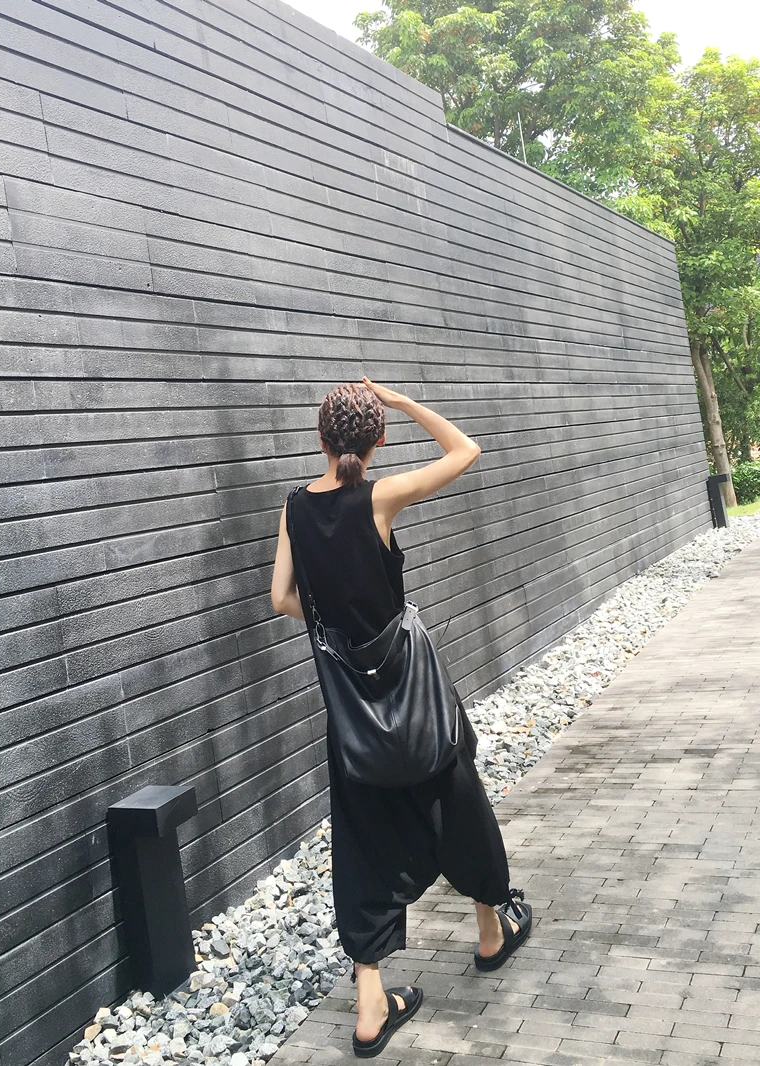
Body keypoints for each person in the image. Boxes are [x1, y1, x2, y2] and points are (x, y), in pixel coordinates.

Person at [270, 377, 531, 1058]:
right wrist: (404, 402)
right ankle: (491, 933)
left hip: (353, 719)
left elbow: (281, 598)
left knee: (362, 843)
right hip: (415, 701)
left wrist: (336, 628)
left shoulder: (295, 508)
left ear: (321, 438)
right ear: (377, 439)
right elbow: (465, 450)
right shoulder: (380, 497)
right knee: (458, 804)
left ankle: (370, 1006)